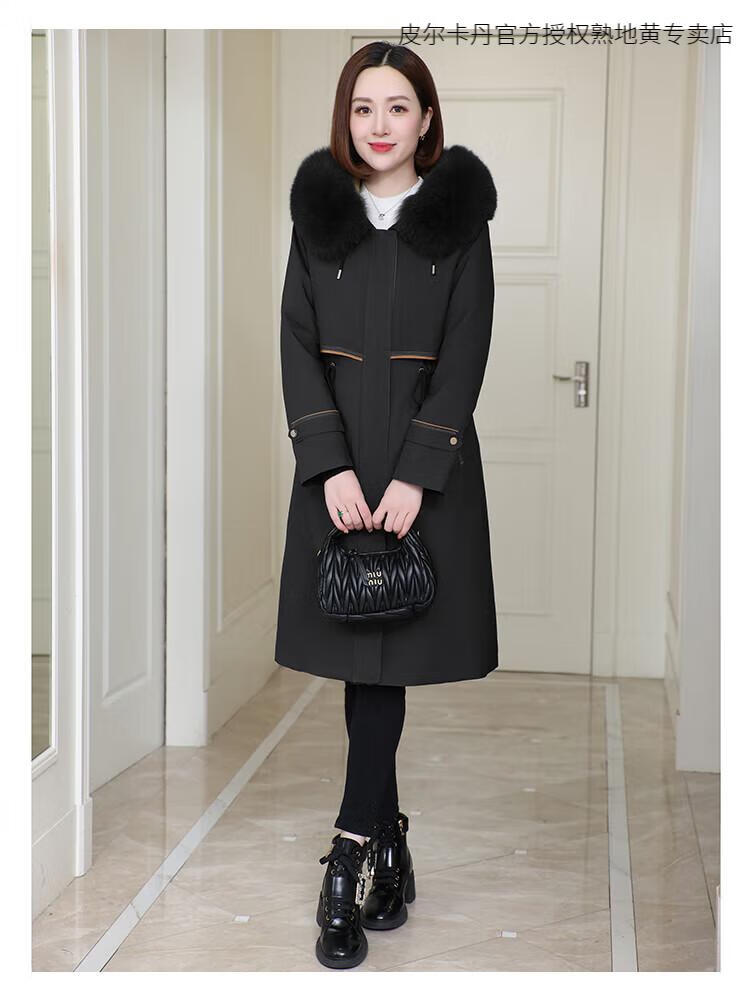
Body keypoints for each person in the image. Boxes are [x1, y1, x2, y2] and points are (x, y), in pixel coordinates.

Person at [274, 40, 499, 969]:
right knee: (366, 662)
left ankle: (351, 853)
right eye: (363, 107)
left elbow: (467, 351)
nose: (379, 125)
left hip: (420, 480)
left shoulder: (459, 224)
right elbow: (295, 342)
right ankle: (388, 845)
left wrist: (415, 474)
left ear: (426, 118)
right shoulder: (318, 219)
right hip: (337, 476)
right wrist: (327, 465)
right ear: (347, 117)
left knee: (383, 665)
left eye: (398, 107)